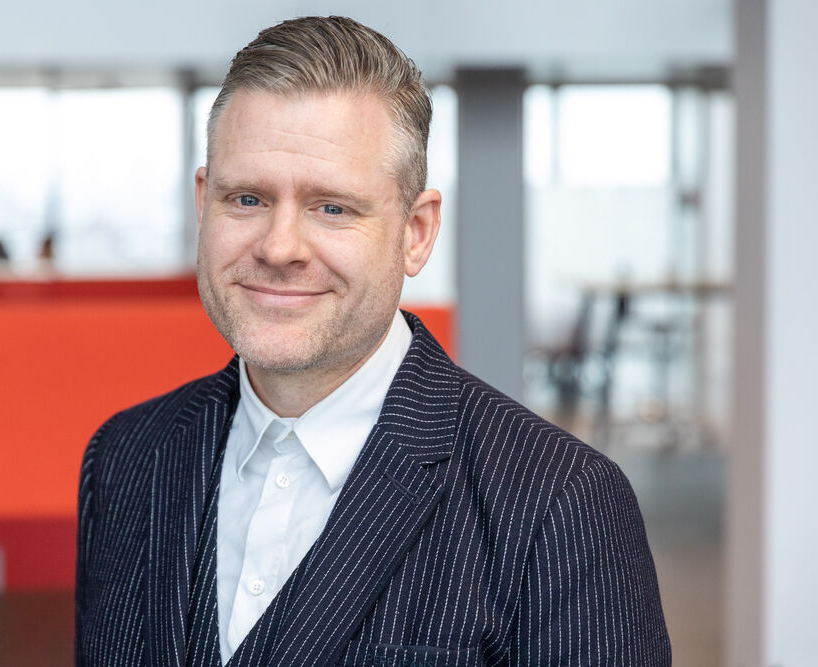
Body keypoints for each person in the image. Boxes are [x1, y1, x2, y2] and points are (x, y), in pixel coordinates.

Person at [75, 16, 670, 666]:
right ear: (202, 204)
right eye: (246, 199)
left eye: (332, 207)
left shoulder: (561, 502)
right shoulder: (125, 458)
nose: (278, 247)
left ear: (416, 232)